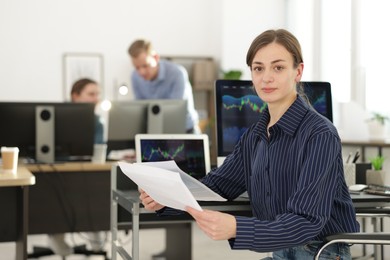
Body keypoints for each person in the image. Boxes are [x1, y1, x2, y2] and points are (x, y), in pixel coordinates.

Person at [139, 29, 360, 259]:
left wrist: (236, 228)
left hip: (320, 252)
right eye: (258, 68)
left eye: (278, 67)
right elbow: (216, 186)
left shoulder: (320, 133)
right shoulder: (254, 136)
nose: (266, 77)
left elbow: (306, 221)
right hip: (283, 252)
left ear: (298, 71)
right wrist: (164, 199)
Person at [48, 78, 106, 256]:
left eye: (97, 94)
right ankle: (59, 243)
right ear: (75, 96)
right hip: (57, 173)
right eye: (91, 94)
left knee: (97, 196)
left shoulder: (97, 121)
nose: (96, 98)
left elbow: (98, 148)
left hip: (86, 173)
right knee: (53, 201)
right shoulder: (55, 115)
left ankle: (97, 245)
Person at [128, 39, 201, 134]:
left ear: (156, 58)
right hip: (156, 131)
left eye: (145, 66)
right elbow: (140, 108)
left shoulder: (177, 73)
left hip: (185, 130)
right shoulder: (135, 76)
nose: (141, 72)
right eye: (137, 67)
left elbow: (174, 111)